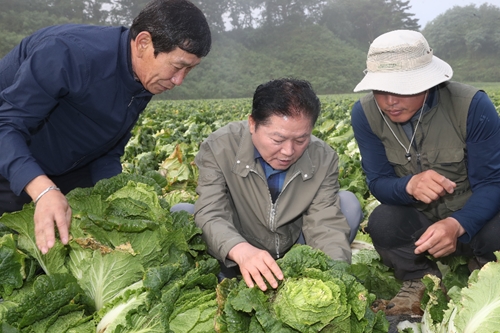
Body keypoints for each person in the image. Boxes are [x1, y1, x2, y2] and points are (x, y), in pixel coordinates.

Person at [0, 0, 211, 254]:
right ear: (143, 43)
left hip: (66, 167)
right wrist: (43, 190)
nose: (179, 80)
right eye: (177, 67)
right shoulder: (67, 53)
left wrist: (119, 202)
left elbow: (108, 150)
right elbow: (6, 126)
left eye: (189, 69)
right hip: (11, 158)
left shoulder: (145, 77)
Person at [350, 30, 500, 316]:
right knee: (382, 221)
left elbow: (492, 183)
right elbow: (378, 182)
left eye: (401, 89)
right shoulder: (365, 115)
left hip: (476, 217)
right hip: (421, 225)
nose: (389, 101)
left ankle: (484, 266)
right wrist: (407, 186)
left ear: (429, 83)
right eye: (380, 90)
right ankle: (420, 281)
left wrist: (457, 224)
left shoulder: (471, 106)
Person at [192, 78, 363, 291]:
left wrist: (335, 278)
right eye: (277, 140)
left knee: (348, 204)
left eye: (301, 140)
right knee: (184, 213)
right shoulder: (219, 147)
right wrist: (241, 250)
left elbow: (324, 224)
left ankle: (294, 280)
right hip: (237, 250)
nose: (288, 151)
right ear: (252, 123)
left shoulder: (323, 157)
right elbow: (211, 212)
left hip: (293, 250)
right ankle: (225, 279)